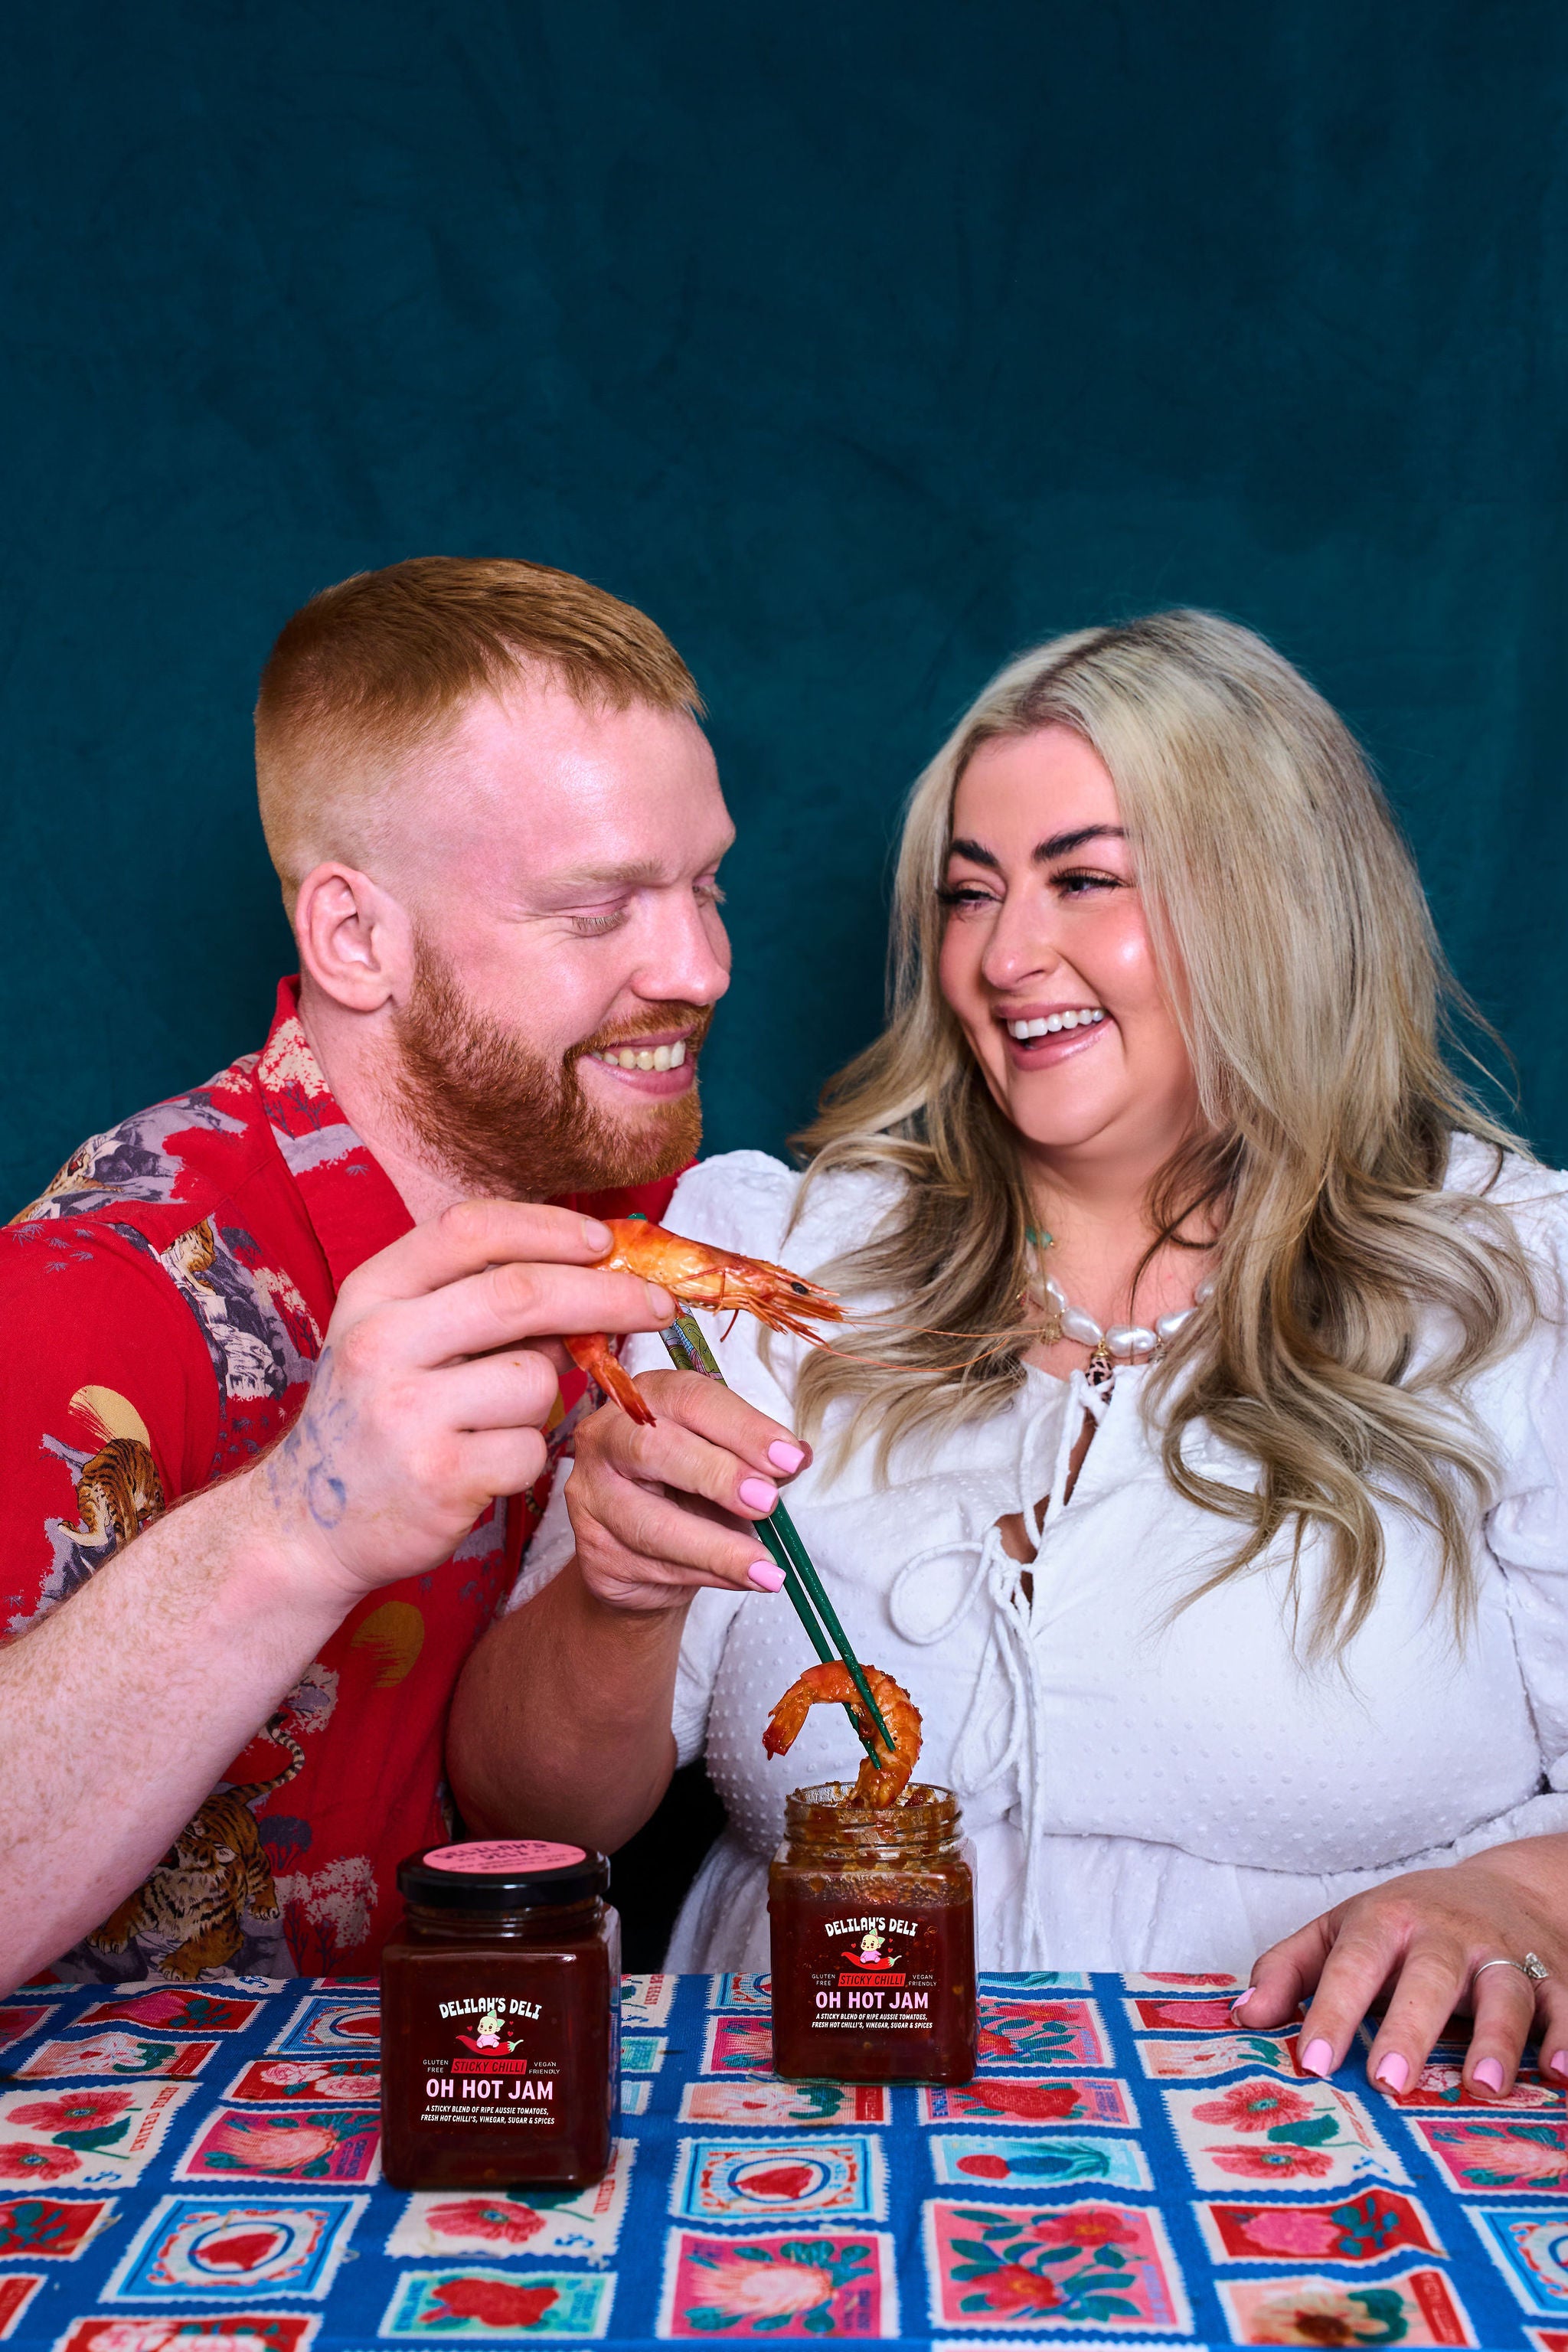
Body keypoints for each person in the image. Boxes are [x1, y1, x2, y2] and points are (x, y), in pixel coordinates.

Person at [453, 609, 1568, 2101]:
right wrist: (618, 1590)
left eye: (1083, 880)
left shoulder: (1522, 1282)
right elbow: (528, 1812)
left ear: (1278, 902)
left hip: (1320, 2148)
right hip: (798, 2148)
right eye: (970, 894)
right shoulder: (768, 1261)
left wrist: (1526, 1896)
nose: (1004, 955)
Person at [0, 554, 753, 1991]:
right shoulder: (95, 1291)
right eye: (600, 910)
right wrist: (295, 1521)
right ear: (356, 938)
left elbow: (546, 1811)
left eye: (706, 883)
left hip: (491, 2090)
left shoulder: (646, 1217)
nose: (701, 968)